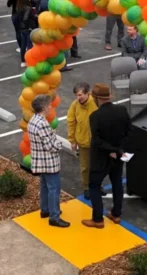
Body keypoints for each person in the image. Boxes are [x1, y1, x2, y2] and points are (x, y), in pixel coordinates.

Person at [82, 84, 132, 229]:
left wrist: (110, 150)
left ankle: (97, 219)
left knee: (94, 185)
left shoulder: (95, 116)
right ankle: (116, 214)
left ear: (96, 98)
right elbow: (130, 132)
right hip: (118, 156)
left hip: (101, 158)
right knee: (117, 183)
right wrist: (118, 150)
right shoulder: (122, 110)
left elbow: (97, 140)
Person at [27, 95, 70, 228]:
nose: (50, 107)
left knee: (44, 187)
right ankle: (54, 216)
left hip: (39, 161)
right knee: (54, 189)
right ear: (44, 108)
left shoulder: (32, 121)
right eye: (49, 105)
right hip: (49, 163)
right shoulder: (43, 124)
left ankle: (45, 210)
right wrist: (59, 144)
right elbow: (50, 146)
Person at [67, 83, 102, 200]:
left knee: (98, 165)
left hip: (97, 142)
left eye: (80, 95)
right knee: (85, 167)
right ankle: (87, 187)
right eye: (76, 95)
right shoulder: (74, 106)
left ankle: (98, 185)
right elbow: (71, 123)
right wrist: (72, 140)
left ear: (88, 93)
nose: (78, 98)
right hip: (83, 142)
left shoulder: (96, 103)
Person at [17, 0, 36, 67]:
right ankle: (30, 60)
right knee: (29, 45)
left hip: (22, 28)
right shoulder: (28, 8)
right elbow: (26, 18)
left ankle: (23, 61)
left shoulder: (19, 6)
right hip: (28, 28)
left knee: (23, 45)